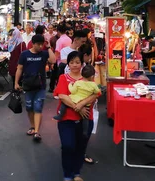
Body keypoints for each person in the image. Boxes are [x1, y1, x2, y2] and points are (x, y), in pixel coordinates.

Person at [54, 51, 100, 181]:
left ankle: (76, 173)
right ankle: (67, 175)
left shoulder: (88, 78)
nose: (75, 65)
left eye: (77, 62)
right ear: (68, 63)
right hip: (66, 119)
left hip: (86, 119)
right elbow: (62, 96)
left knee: (81, 147)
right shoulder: (64, 78)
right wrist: (78, 108)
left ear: (82, 63)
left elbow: (95, 94)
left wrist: (82, 104)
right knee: (68, 146)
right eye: (72, 62)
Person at [15, 34, 56, 142]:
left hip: (40, 85)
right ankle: (33, 127)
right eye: (39, 44)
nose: (40, 46)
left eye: (42, 44)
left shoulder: (43, 53)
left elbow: (53, 60)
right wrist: (16, 83)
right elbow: (19, 69)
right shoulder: (24, 54)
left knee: (37, 107)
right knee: (29, 107)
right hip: (28, 85)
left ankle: (37, 131)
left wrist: (48, 47)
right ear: (33, 44)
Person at [53, 65, 99, 134]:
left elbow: (72, 91)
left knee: (64, 105)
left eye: (77, 62)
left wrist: (70, 85)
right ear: (92, 76)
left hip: (75, 99)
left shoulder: (78, 82)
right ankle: (85, 131)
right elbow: (97, 92)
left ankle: (60, 115)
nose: (75, 65)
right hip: (86, 104)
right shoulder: (93, 84)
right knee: (86, 118)